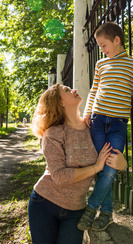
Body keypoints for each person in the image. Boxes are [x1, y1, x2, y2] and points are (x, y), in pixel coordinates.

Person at [77, 22, 133, 232]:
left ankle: (92, 208)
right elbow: (94, 91)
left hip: (118, 124)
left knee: (110, 166)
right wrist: (87, 113)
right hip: (98, 121)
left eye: (103, 45)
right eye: (100, 47)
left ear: (116, 40)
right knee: (101, 167)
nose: (102, 49)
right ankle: (107, 213)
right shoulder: (101, 64)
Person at [28, 83, 127, 244]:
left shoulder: (94, 129)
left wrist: (122, 165)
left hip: (76, 210)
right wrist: (95, 167)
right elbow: (60, 176)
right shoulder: (53, 134)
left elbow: (108, 165)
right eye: (67, 90)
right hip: (45, 203)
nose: (74, 89)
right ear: (60, 103)